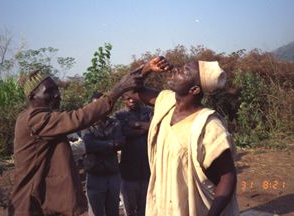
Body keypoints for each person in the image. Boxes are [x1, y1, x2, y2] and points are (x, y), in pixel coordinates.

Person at [8, 68, 144, 216]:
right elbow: (79, 118)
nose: (57, 95)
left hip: (45, 200)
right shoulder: (34, 119)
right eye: (49, 91)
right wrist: (118, 90)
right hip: (31, 203)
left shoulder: (36, 118)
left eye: (57, 90)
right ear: (32, 96)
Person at [129, 57, 239, 216]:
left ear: (194, 90)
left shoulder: (209, 127)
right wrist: (147, 69)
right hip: (163, 206)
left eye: (186, 71)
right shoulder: (166, 101)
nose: (177, 70)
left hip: (192, 209)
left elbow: (227, 177)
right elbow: (130, 91)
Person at [82, 92, 125, 216]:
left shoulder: (115, 123)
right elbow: (88, 145)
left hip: (112, 173)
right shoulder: (85, 123)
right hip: (94, 174)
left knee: (113, 211)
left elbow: (121, 143)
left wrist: (98, 144)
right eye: (96, 105)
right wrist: (111, 144)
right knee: (96, 212)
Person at [114, 93, 152, 216]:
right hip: (129, 169)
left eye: (133, 97)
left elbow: (155, 128)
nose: (131, 100)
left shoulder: (149, 111)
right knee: (130, 208)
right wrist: (145, 129)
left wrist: (136, 124)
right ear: (123, 99)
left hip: (147, 167)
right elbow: (123, 134)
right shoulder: (119, 116)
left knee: (145, 207)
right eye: (127, 97)